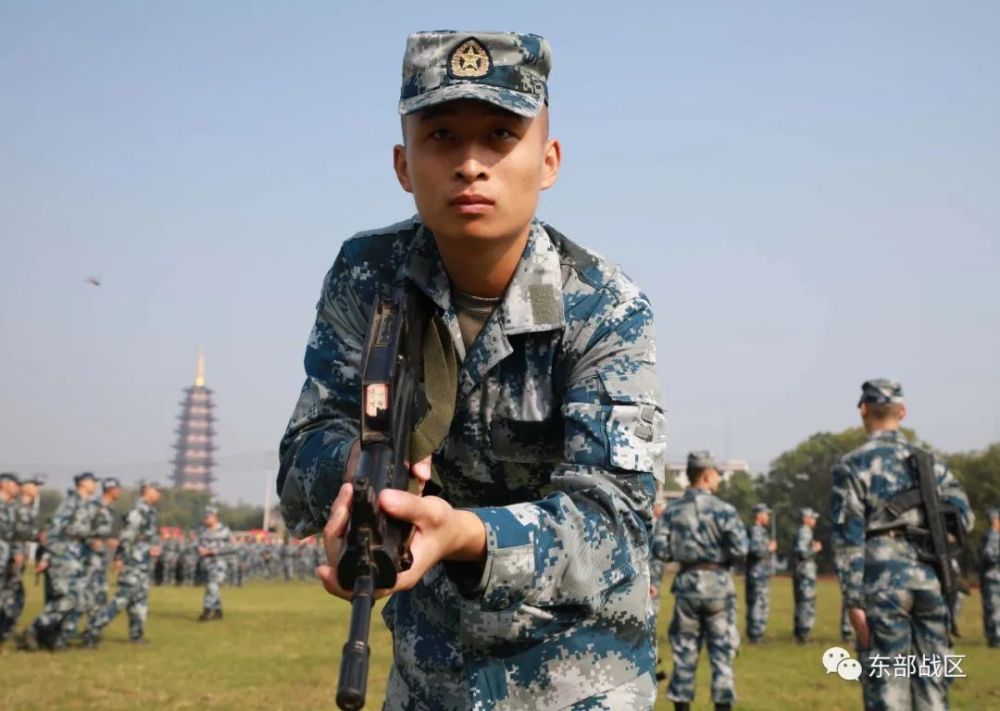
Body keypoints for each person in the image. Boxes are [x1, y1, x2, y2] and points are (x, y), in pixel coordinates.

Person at [277, 30, 667, 709]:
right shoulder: (368, 278)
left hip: (578, 681)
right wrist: (358, 475)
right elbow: (303, 453)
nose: (470, 164)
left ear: (548, 160)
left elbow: (615, 524)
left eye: (499, 135)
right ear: (403, 164)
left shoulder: (605, 305)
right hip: (429, 681)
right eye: (441, 137)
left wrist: (466, 533)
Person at [831, 379, 973, 710]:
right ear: (903, 412)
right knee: (933, 681)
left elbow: (847, 536)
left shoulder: (851, 464)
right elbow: (963, 519)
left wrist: (853, 600)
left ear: (864, 411)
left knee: (888, 685)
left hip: (882, 581)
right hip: (931, 577)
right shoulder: (930, 463)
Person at [652, 451, 747, 711]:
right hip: (718, 588)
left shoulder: (672, 511)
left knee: (684, 656)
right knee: (722, 657)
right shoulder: (725, 510)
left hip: (687, 587)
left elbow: (659, 549)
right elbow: (741, 549)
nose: (718, 478)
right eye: (716, 473)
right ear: (706, 475)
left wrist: (683, 554)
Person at [19, 471, 98, 651]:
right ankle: (36, 629)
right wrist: (47, 557)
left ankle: (52, 636)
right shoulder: (71, 503)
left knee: (75, 599)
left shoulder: (87, 505)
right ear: (83, 483)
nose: (95, 485)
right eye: (93, 482)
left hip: (77, 555)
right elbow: (54, 530)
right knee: (68, 598)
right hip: (63, 555)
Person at [83, 482, 162, 646]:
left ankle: (136, 634)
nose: (160, 494)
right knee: (122, 599)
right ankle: (93, 629)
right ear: (148, 492)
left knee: (139, 599)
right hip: (132, 561)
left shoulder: (150, 512)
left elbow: (147, 537)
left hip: (143, 563)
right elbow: (126, 537)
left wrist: (154, 547)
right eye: (157, 491)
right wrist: (120, 558)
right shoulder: (138, 511)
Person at [0, 475, 41, 643]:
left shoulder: (10, 508)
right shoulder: (13, 507)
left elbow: (15, 535)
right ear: (3, 484)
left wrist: (17, 551)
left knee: (10, 595)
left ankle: (4, 631)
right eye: (15, 484)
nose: (18, 486)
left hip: (6, 556)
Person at [745, 502, 776, 644]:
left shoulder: (760, 531)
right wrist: (769, 548)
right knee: (758, 603)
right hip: (757, 573)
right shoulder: (756, 531)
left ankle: (757, 633)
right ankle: (756, 635)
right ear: (759, 515)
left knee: (761, 602)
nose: (768, 516)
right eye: (766, 514)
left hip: (761, 573)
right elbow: (756, 551)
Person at [196, 506, 234, 621]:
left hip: (219, 562)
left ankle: (206, 611)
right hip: (206, 563)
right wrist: (199, 549)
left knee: (212, 586)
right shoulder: (202, 530)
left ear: (214, 517)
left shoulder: (224, 530)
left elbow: (233, 546)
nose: (205, 519)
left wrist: (215, 551)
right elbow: (195, 543)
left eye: (208, 517)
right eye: (205, 517)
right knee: (211, 587)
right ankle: (218, 611)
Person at [792, 507, 822, 644]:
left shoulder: (802, 531)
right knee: (806, 601)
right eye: (813, 517)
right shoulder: (805, 531)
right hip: (806, 571)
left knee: (801, 601)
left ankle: (800, 632)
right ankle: (804, 633)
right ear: (806, 518)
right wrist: (814, 549)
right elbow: (803, 553)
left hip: (801, 571)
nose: (815, 520)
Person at [981, 508, 1000, 648]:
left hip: (992, 576)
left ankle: (994, 637)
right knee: (994, 609)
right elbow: (989, 554)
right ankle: (995, 638)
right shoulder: (992, 536)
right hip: (994, 577)